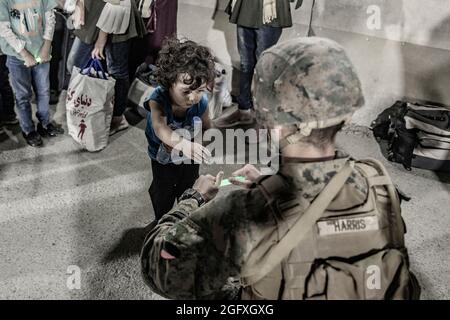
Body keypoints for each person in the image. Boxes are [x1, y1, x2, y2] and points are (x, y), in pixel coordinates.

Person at [141, 37, 418, 300]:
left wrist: (194, 198)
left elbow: (158, 266)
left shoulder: (247, 212)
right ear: (345, 111)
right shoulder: (377, 182)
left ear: (270, 119)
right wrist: (268, 180)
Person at [143, 38, 215, 221]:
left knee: (189, 189)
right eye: (186, 91)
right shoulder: (158, 100)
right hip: (162, 160)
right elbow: (161, 129)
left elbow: (207, 128)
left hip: (189, 158)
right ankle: (161, 222)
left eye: (199, 90)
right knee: (163, 193)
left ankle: (183, 221)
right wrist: (184, 145)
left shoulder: (202, 103)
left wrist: (200, 145)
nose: (193, 98)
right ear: (169, 82)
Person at [214, 0, 301, 128]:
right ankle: (244, 111)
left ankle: (263, 119)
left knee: (264, 67)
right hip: (246, 8)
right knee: (245, 63)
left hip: (270, 11)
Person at [70, 0, 146, 135]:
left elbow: (117, 2)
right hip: (94, 10)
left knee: (116, 71)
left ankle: (118, 118)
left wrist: (101, 39)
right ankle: (89, 108)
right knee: (75, 63)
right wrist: (79, 4)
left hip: (116, 14)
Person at [0, 0, 64, 147]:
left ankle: (45, 123)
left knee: (44, 91)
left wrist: (46, 47)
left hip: (41, 51)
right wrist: (24, 53)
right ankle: (28, 129)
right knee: (23, 95)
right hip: (17, 56)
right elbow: (4, 29)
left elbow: (50, 18)